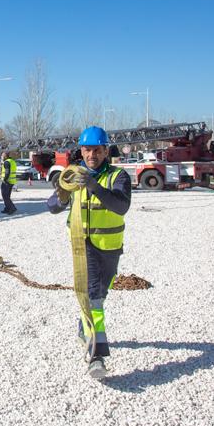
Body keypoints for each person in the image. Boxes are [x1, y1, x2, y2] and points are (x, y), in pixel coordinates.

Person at [46, 125, 131, 380]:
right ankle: (96, 356)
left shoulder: (118, 177)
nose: (91, 154)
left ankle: (84, 328)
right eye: (87, 149)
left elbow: (121, 206)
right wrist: (60, 197)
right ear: (81, 151)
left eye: (96, 150)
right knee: (93, 298)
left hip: (110, 249)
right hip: (84, 249)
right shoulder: (74, 175)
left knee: (100, 296)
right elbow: (52, 207)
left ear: (106, 151)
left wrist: (94, 186)